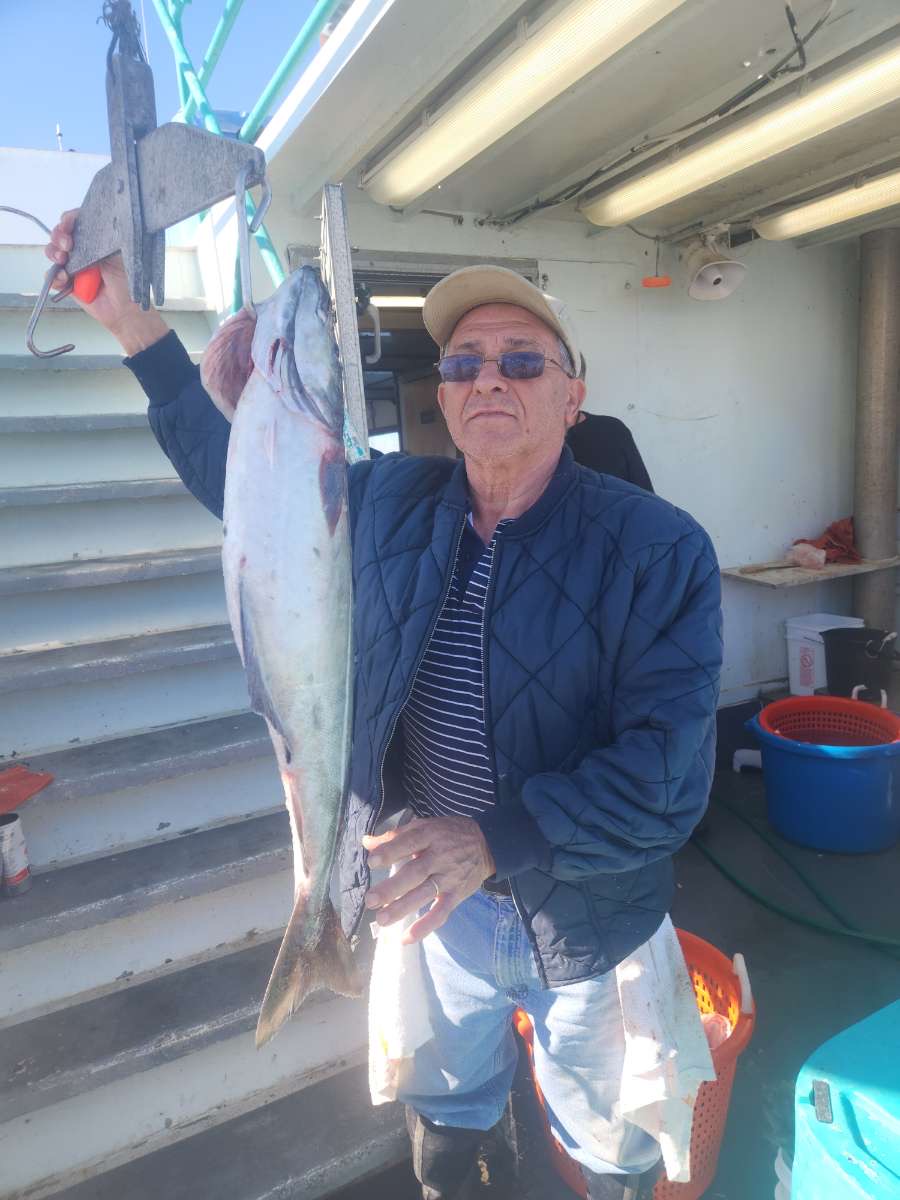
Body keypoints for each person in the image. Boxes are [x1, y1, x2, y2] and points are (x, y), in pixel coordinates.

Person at [45, 217, 723, 1200]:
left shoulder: (661, 547)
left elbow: (669, 779)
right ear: (441, 395)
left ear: (573, 396)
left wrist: (493, 838)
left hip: (592, 919)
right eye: (463, 363)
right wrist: (132, 325)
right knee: (450, 1118)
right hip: (440, 913)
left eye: (521, 360)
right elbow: (253, 493)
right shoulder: (391, 501)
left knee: (609, 1140)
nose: (488, 379)